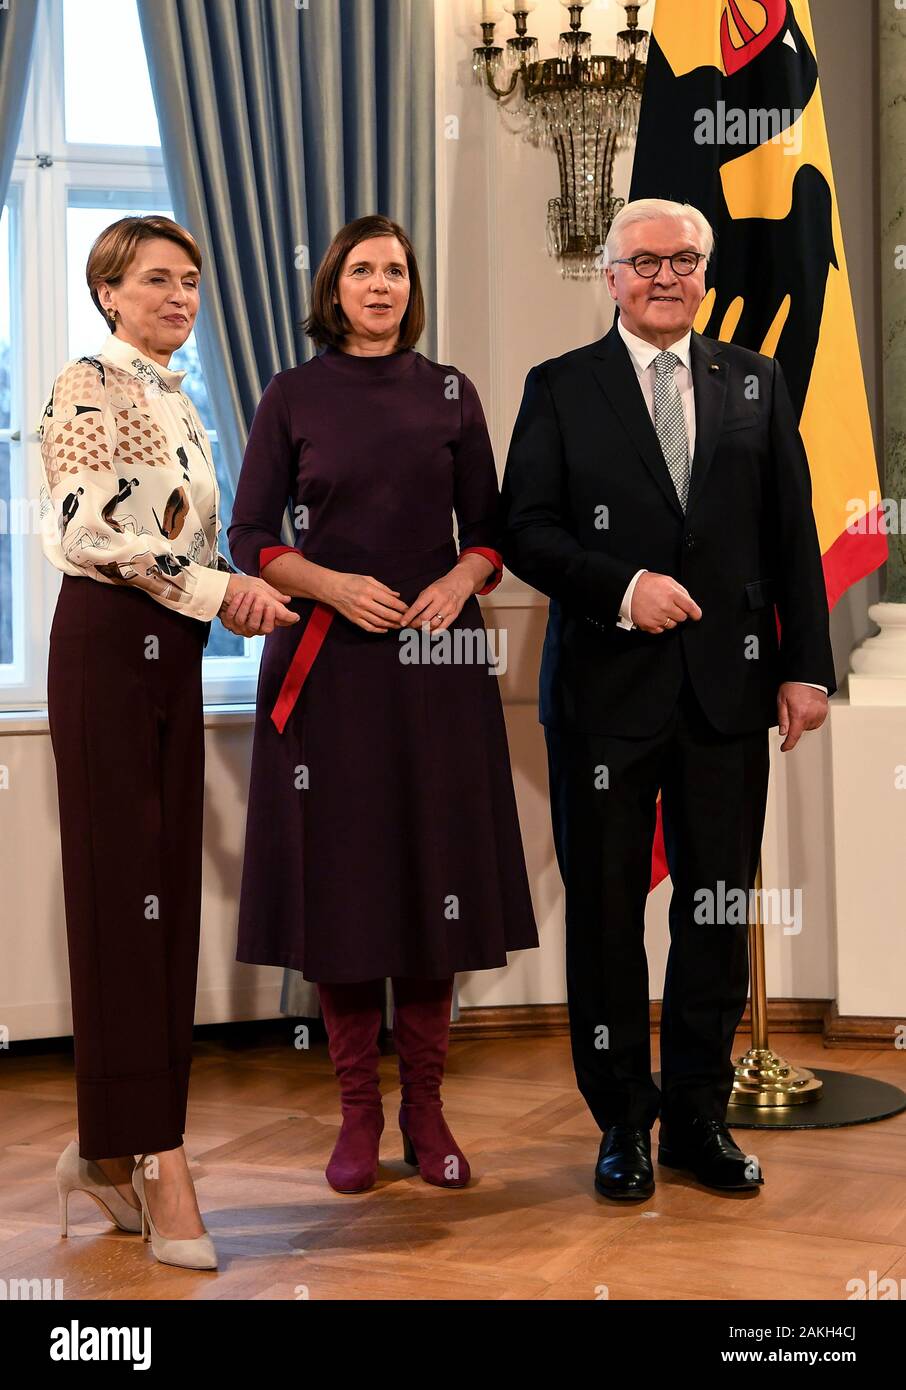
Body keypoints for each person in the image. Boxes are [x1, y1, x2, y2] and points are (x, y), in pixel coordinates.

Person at [500, 197, 834, 1200]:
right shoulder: (560, 387)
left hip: (729, 699)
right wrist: (622, 588)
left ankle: (698, 1114)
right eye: (643, 261)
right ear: (609, 276)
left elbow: (791, 532)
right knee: (605, 921)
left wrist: (805, 665)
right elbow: (526, 529)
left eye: (684, 260)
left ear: (705, 273)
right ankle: (623, 1123)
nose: (665, 275)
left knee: (716, 914)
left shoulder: (754, 381)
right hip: (604, 701)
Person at [228, 213, 538, 1194]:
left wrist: (462, 579)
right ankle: (357, 1111)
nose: (381, 283)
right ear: (335, 286)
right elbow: (246, 536)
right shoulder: (293, 393)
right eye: (363, 269)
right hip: (329, 675)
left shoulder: (451, 391)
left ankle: (428, 1108)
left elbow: (493, 530)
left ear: (412, 286)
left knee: (432, 874)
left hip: (435, 666)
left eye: (396, 270)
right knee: (346, 885)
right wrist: (327, 583)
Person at [40, 214, 296, 1268]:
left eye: (190, 280)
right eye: (156, 280)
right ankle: (155, 1156)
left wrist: (226, 594)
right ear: (108, 291)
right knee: (118, 898)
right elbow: (92, 529)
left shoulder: (175, 393)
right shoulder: (86, 384)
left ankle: (114, 1152)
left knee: (163, 899)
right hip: (106, 645)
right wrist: (218, 589)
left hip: (172, 651)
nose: (180, 296)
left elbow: (180, 528)